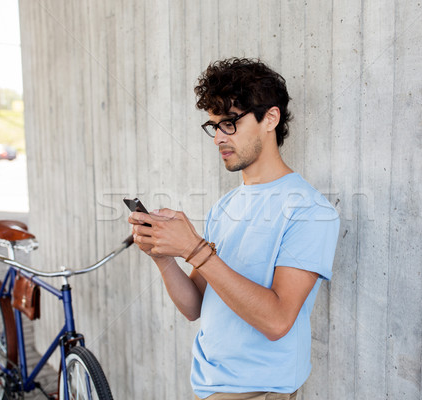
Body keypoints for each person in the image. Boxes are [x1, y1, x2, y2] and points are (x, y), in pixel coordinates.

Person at [128, 57, 340, 400]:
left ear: (270, 118)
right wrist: (163, 256)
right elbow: (195, 306)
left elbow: (277, 321)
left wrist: (195, 249)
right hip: (207, 385)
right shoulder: (223, 208)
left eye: (229, 123)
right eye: (214, 126)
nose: (218, 138)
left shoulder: (310, 210)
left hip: (259, 392)